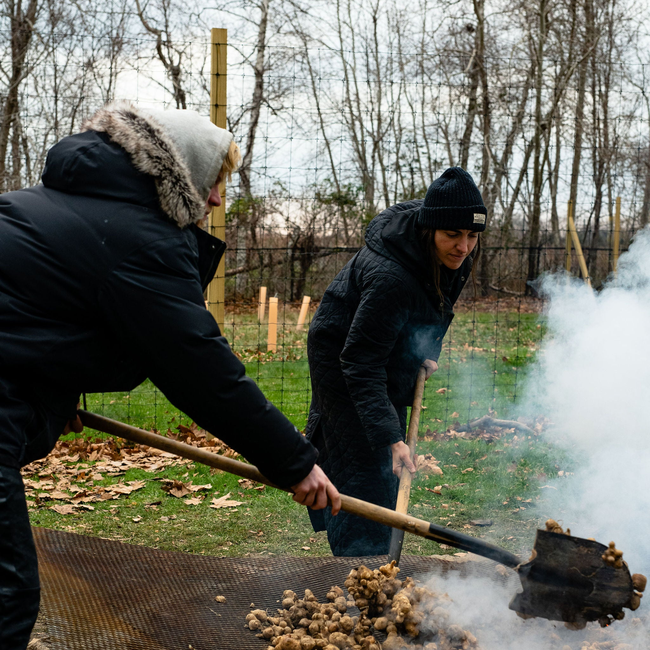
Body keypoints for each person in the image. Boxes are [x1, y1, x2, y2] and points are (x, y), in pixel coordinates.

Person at [0, 101, 340, 649]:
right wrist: (295, 462)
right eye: (210, 182)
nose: (213, 199)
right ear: (175, 173)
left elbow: (32, 324)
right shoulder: (138, 235)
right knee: (7, 595)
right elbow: (198, 367)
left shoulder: (69, 207)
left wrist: (50, 400)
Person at [305, 167, 486, 556]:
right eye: (452, 234)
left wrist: (427, 352)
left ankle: (378, 549)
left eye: (472, 235)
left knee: (387, 458)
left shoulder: (459, 258)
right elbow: (358, 360)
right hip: (341, 352)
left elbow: (439, 308)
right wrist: (391, 437)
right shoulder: (392, 277)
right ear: (429, 230)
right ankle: (360, 565)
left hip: (383, 344)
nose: (463, 246)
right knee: (363, 461)